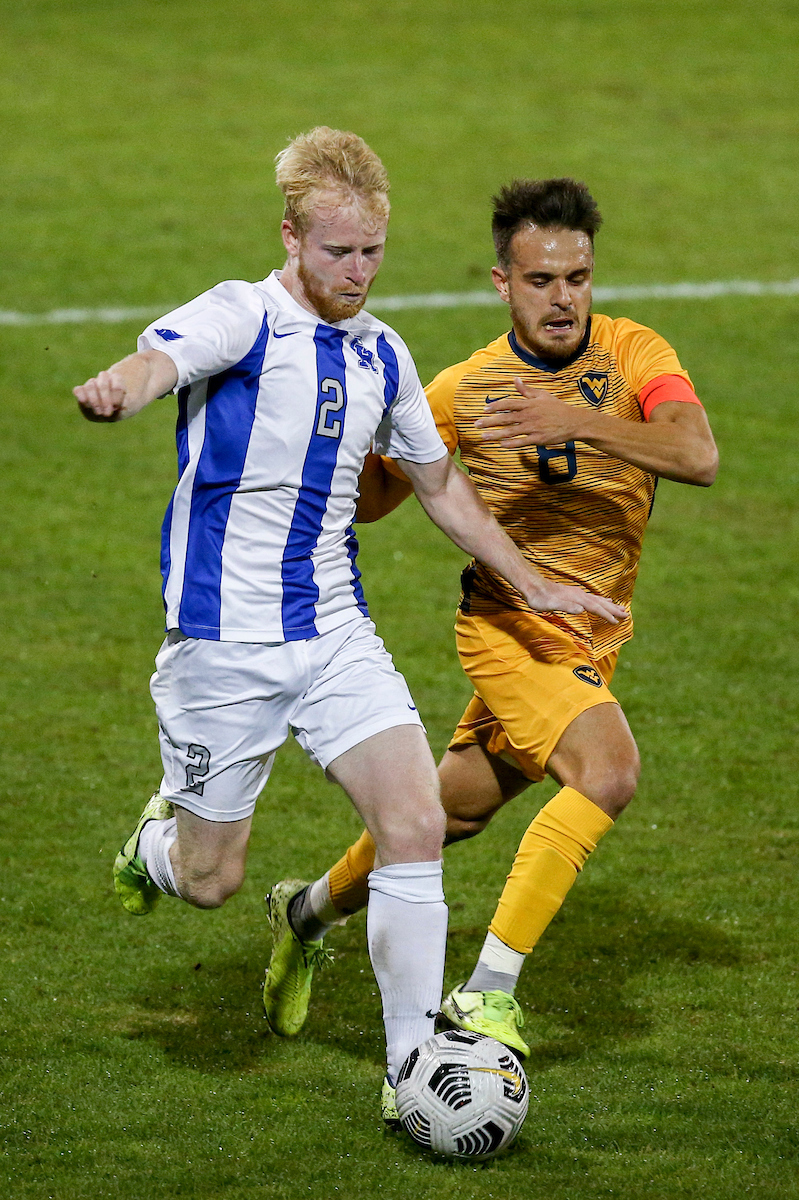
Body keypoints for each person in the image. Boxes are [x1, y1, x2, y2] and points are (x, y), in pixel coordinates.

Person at [73, 142, 624, 1120]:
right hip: (222, 643)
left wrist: (532, 581)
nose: (358, 272)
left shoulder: (382, 352)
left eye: (373, 252)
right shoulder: (242, 314)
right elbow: (164, 358)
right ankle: (157, 845)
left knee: (413, 823)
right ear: (290, 237)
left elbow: (438, 484)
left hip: (332, 627)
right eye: (338, 252)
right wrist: (125, 385)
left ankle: (410, 1068)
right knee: (210, 880)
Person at [270, 176, 719, 1062]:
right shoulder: (462, 392)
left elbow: (696, 453)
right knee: (608, 773)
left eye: (577, 278)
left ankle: (306, 913)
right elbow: (371, 501)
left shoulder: (635, 353)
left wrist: (576, 421)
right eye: (541, 280)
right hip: (512, 629)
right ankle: (486, 992)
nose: (563, 298)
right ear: (502, 282)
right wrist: (337, 438)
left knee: (446, 814)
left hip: (592, 637)